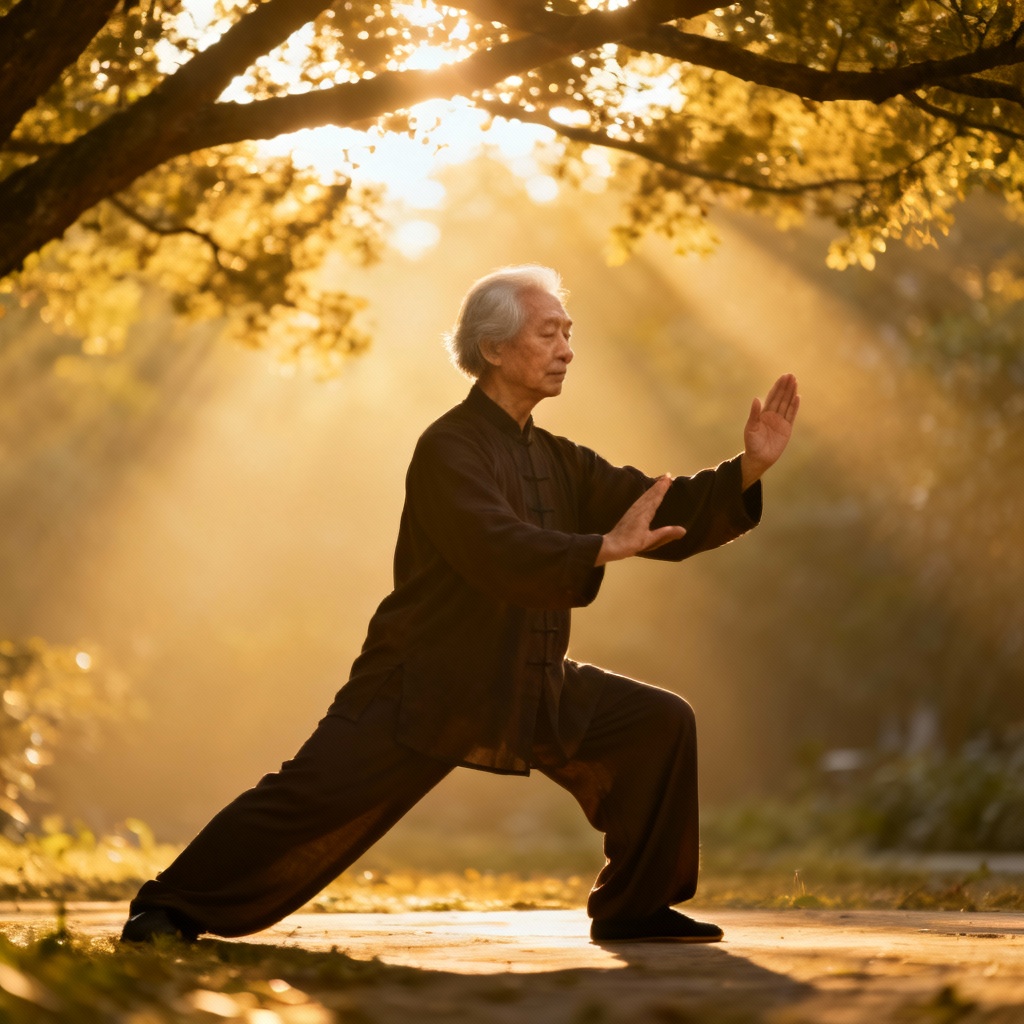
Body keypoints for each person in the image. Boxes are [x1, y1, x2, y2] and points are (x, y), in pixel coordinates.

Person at [121, 265, 799, 946]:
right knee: (311, 797)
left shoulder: (557, 458)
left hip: (528, 677)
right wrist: (597, 548)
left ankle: (635, 908)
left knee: (656, 723)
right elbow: (494, 546)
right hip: (427, 679)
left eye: (569, 333)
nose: (566, 348)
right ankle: (170, 907)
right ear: (495, 349)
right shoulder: (448, 447)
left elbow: (656, 506)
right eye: (548, 333)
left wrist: (746, 471)